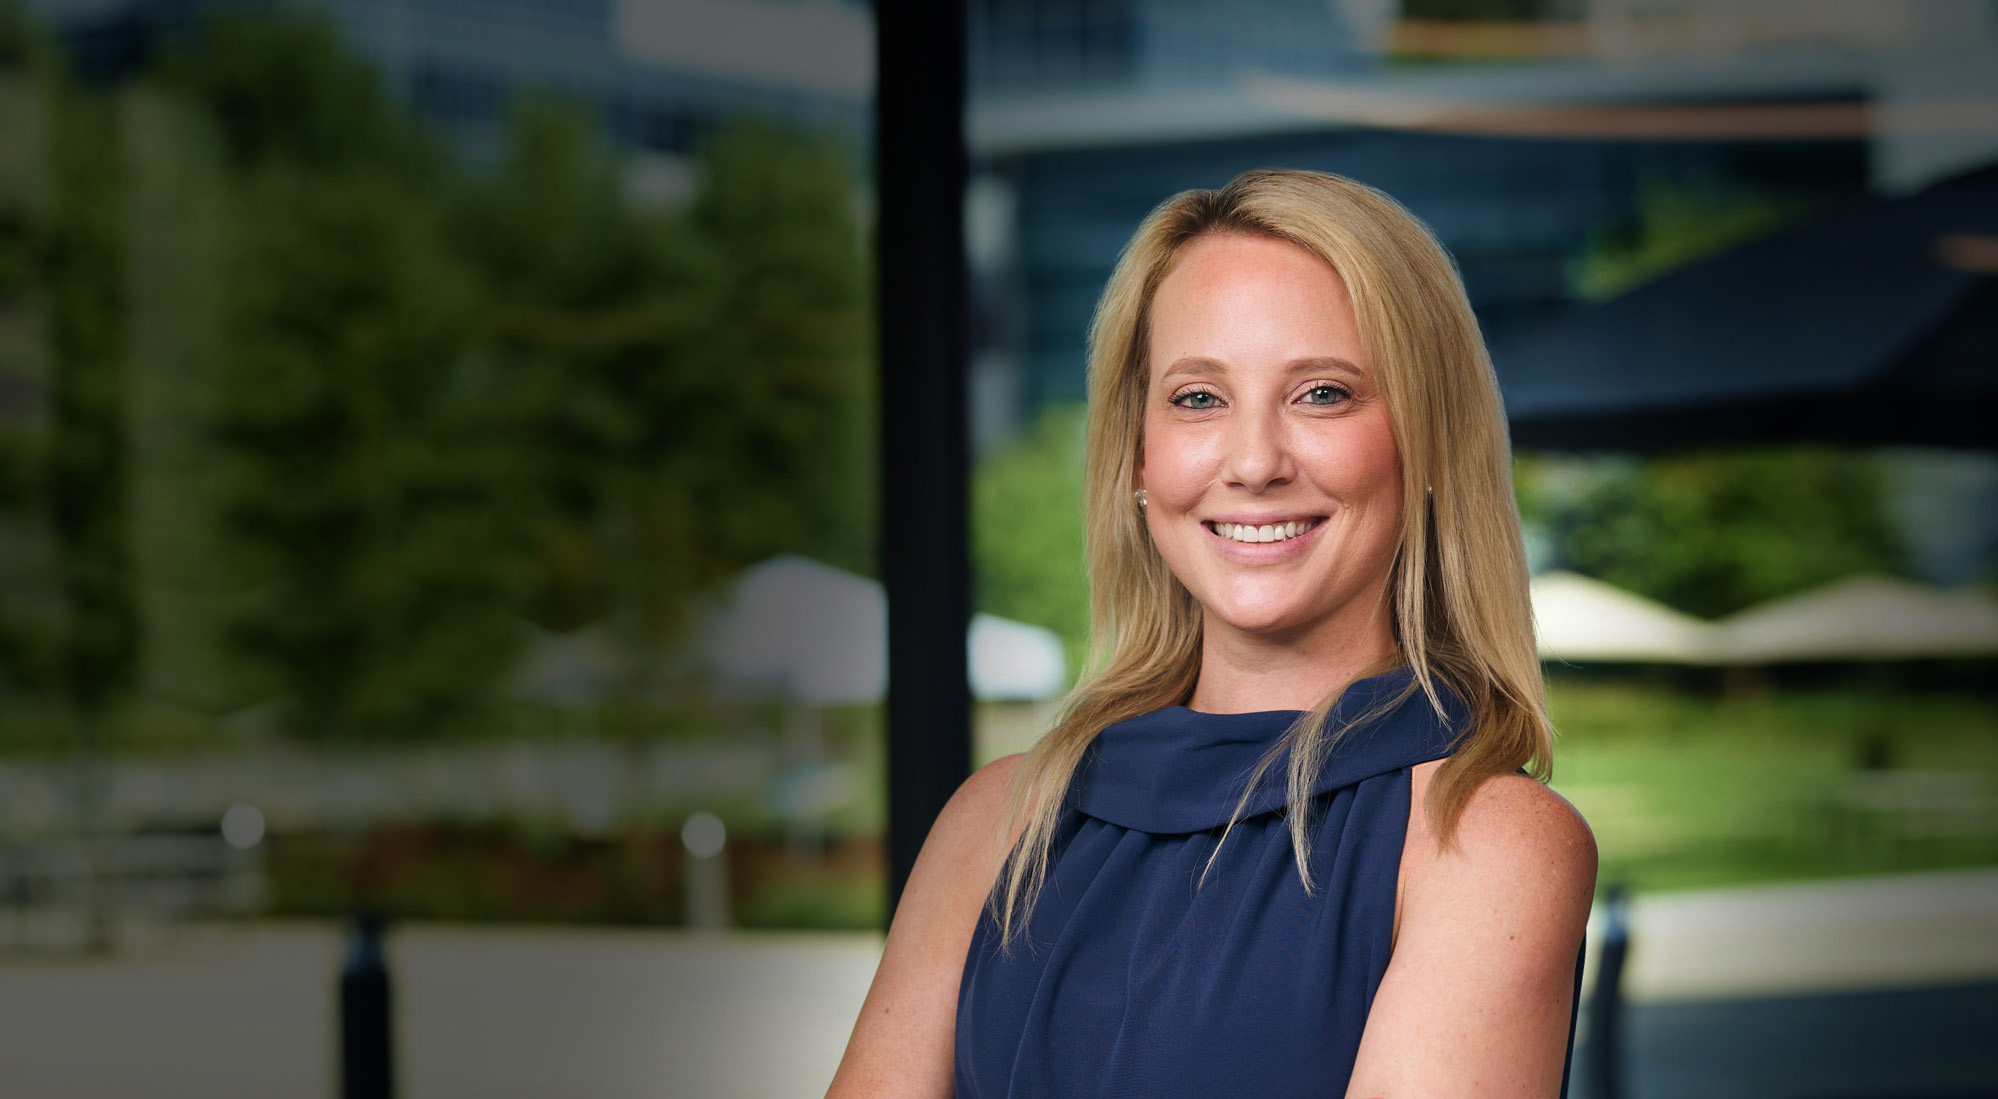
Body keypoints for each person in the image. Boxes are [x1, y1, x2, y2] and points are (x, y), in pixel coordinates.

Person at [828, 169, 1596, 1098]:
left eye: (1322, 392)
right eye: (1198, 398)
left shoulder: (1487, 842)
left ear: (1427, 442)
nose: (1255, 462)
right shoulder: (996, 825)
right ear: (1137, 457)